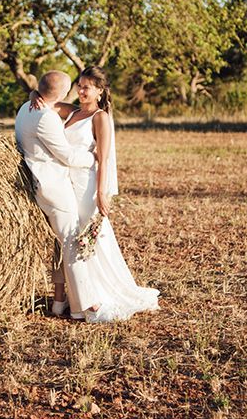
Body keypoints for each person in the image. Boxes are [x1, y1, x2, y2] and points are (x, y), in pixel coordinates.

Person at [31, 66, 159, 323]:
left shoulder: (100, 118)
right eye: (79, 85)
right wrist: (35, 92)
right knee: (67, 238)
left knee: (85, 241)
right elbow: (49, 98)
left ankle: (95, 296)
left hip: (88, 187)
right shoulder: (73, 112)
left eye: (87, 87)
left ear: (100, 91)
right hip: (68, 185)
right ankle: (73, 297)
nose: (81, 90)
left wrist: (102, 193)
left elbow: (104, 157)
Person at [14, 70, 101, 319]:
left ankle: (59, 302)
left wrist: (33, 93)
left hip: (35, 181)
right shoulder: (46, 118)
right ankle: (88, 302)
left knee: (60, 245)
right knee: (72, 241)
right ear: (63, 94)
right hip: (53, 187)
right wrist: (93, 157)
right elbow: (68, 156)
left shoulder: (24, 109)